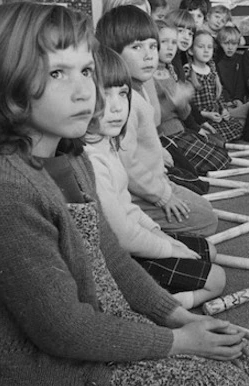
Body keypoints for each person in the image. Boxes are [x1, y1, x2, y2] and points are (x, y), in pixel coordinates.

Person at [0, 0, 249, 386]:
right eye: (57, 73)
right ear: (4, 84)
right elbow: (61, 330)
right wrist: (177, 343)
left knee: (241, 359)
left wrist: (175, 317)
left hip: (88, 328)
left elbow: (110, 256)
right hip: (43, 378)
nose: (86, 92)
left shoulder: (68, 153)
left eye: (85, 71)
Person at [85, 45, 225, 309]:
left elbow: (128, 209)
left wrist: (163, 237)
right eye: (104, 95)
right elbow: (123, 236)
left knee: (209, 250)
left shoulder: (108, 144)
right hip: (122, 257)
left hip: (134, 237)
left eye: (122, 94)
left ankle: (159, 298)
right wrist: (169, 250)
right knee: (216, 279)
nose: (116, 108)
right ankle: (159, 307)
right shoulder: (92, 159)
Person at [96, 5, 219, 236]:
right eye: (136, 47)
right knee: (208, 221)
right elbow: (128, 164)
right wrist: (162, 197)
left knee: (204, 205)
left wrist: (160, 154)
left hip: (154, 179)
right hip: (138, 194)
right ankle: (141, 226)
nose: (149, 54)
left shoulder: (141, 88)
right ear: (112, 52)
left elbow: (147, 134)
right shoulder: (124, 103)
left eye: (153, 46)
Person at [155, 19, 231, 175]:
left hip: (180, 129)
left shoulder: (170, 70)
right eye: (164, 42)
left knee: (219, 145)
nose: (170, 47)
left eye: (174, 42)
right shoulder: (151, 76)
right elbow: (153, 117)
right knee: (216, 161)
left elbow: (184, 113)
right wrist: (174, 101)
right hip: (165, 135)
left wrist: (183, 102)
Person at [185, 28, 244, 143]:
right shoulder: (188, 71)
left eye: (209, 47)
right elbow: (188, 104)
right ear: (191, 50)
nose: (206, 51)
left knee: (238, 127)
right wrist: (206, 115)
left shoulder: (212, 70)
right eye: (201, 47)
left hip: (216, 115)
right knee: (212, 137)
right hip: (201, 118)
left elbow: (219, 95)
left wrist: (224, 110)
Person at [215, 25, 247, 109]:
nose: (230, 47)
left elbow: (241, 81)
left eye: (234, 44)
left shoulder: (241, 59)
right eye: (226, 43)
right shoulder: (217, 61)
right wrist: (227, 100)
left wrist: (238, 98)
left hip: (239, 100)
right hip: (223, 101)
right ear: (220, 43)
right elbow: (219, 83)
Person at [165, 8, 197, 82]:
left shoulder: (182, 58)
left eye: (190, 34)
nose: (186, 37)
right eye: (180, 31)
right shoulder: (167, 59)